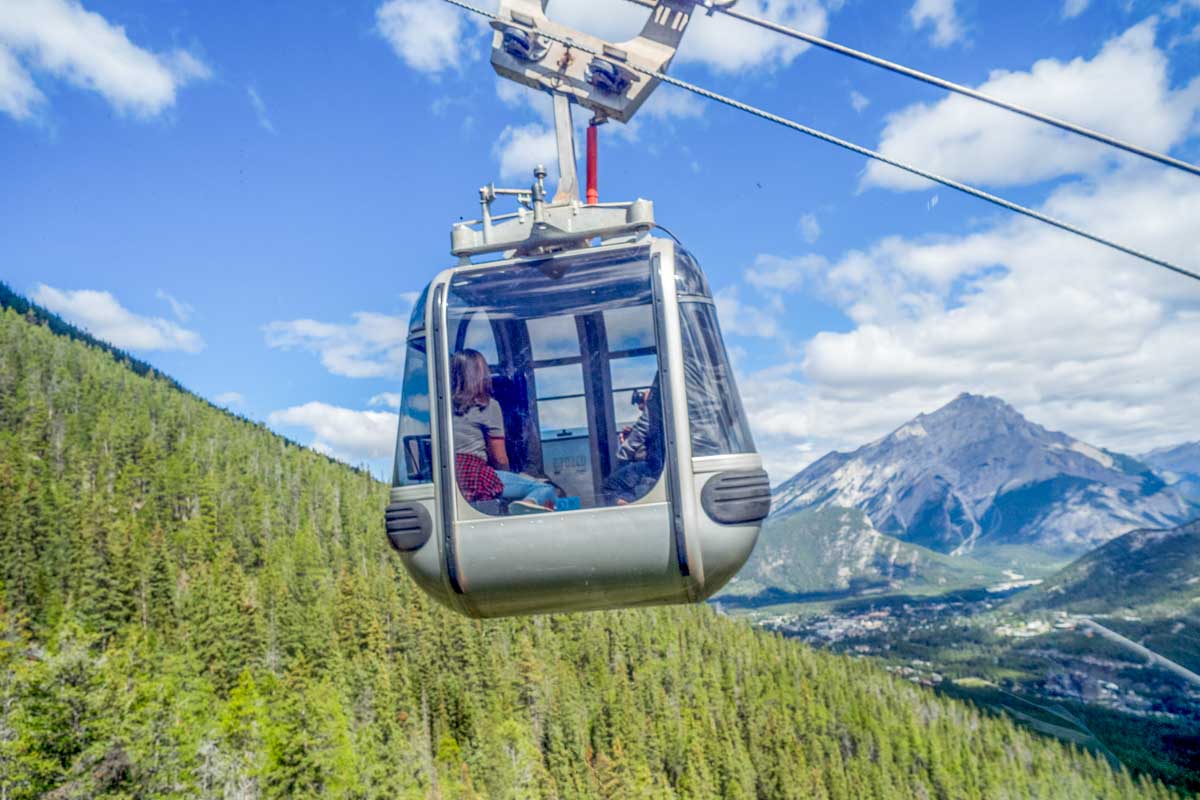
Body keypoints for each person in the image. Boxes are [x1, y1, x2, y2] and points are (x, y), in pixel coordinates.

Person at [451, 349, 557, 514]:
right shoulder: (488, 405)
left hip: (452, 476)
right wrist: (506, 478)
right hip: (475, 475)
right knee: (545, 489)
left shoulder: (444, 407)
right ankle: (527, 504)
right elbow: (499, 457)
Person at [603, 379, 664, 505]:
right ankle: (629, 500)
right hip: (656, 463)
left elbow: (642, 429)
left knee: (610, 486)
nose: (640, 406)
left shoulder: (654, 407)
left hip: (655, 465)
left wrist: (622, 456)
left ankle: (629, 505)